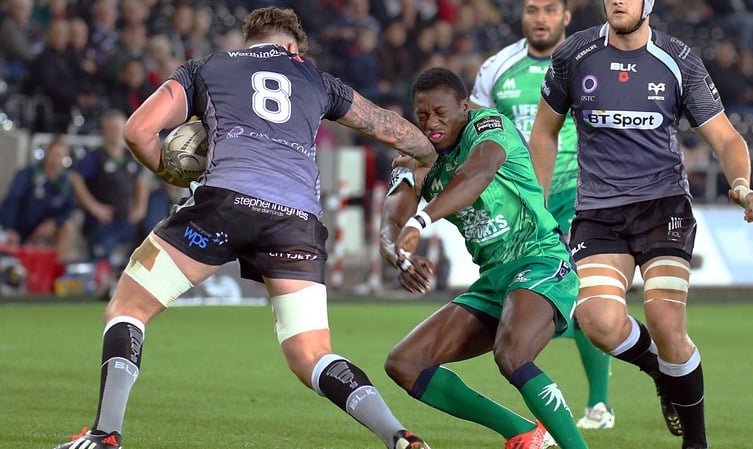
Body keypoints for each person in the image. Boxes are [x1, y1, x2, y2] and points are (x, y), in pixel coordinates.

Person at [52, 7, 437, 449]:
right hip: (296, 222)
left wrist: (169, 169)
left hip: (224, 205)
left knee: (129, 307)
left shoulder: (206, 68)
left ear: (248, 39)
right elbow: (393, 131)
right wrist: (428, 157)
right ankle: (399, 435)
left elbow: (138, 130)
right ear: (293, 47)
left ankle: (105, 436)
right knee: (311, 354)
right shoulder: (316, 78)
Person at [528, 1, 753, 448]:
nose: (617, 0)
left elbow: (727, 137)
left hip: (663, 208)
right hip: (598, 211)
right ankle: (664, 373)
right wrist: (539, 205)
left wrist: (740, 183)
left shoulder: (677, 59)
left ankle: (695, 441)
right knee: (596, 320)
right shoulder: (575, 55)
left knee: (663, 318)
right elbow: (544, 131)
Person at [380, 66, 588, 449]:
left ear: (464, 106)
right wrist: (399, 254)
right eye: (422, 115)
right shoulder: (420, 155)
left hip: (540, 259)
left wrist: (421, 221)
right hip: (495, 278)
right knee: (405, 363)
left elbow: (477, 174)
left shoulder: (489, 126)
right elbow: (393, 215)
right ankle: (523, 433)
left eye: (441, 113)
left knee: (512, 353)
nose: (432, 123)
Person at [469, 0, 616, 430]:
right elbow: (476, 128)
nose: (541, 17)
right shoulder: (498, 68)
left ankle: (600, 405)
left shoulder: (589, 63)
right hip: (520, 208)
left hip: (580, 197)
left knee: (585, 296)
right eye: (533, 9)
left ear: (566, 16)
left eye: (551, 9)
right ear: (523, 15)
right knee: (528, 302)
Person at [69, 109, 149, 275]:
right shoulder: (96, 157)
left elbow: (141, 180)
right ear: (104, 131)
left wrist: (140, 208)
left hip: (127, 220)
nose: (114, 133)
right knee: (101, 260)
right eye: (110, 128)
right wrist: (94, 207)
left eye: (118, 128)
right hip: (103, 223)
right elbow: (75, 177)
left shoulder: (129, 158)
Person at [0, 139, 77, 263]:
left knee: (68, 227)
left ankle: (55, 269)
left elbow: (69, 208)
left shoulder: (65, 182)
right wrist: (10, 228)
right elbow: (13, 200)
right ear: (47, 153)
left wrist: (54, 222)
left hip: (44, 230)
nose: (56, 158)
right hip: (21, 227)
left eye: (61, 155)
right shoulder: (28, 173)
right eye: (55, 154)